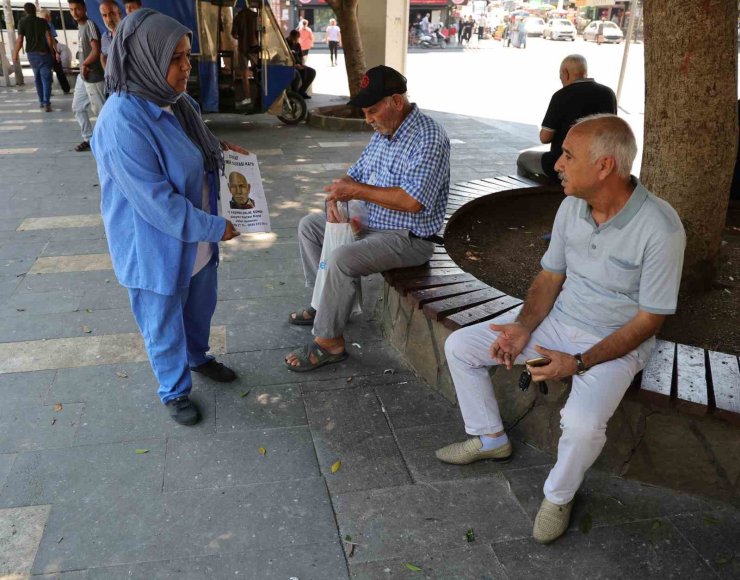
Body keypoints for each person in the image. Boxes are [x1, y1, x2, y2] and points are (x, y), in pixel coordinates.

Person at [436, 114, 686, 544]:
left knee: (583, 422)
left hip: (617, 342)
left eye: (568, 156)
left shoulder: (661, 229)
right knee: (461, 346)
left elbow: (650, 320)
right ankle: (490, 438)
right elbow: (550, 277)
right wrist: (521, 328)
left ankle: (558, 495)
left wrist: (579, 362)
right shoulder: (572, 205)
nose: (557, 164)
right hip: (558, 323)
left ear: (604, 166)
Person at [91, 8, 246, 426]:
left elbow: (197, 148)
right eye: (175, 59)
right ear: (145, 58)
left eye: (187, 56)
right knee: (162, 321)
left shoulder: (176, 103)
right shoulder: (122, 123)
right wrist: (217, 227)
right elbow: (157, 203)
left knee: (199, 308)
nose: (185, 68)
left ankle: (198, 357)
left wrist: (224, 150)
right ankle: (174, 391)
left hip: (195, 239)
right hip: (155, 244)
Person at [284, 65, 450, 371]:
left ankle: (329, 342)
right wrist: (336, 196)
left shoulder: (428, 138)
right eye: (365, 112)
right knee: (309, 227)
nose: (368, 119)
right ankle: (323, 304)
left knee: (342, 259)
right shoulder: (385, 133)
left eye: (373, 110)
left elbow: (412, 202)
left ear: (396, 102)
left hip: (408, 238)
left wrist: (356, 192)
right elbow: (355, 173)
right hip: (372, 224)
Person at [517, 55, 617, 181]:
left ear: (565, 73)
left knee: (523, 159)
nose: (561, 80)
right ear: (585, 72)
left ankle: (543, 195)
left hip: (564, 163)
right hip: (598, 164)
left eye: (560, 76)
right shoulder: (608, 94)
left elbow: (544, 137)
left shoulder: (561, 95)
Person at [68, 0, 106, 152]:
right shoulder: (80, 26)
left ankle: (107, 140)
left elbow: (96, 51)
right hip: (83, 78)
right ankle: (89, 139)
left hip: (94, 77)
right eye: (71, 9)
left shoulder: (90, 24)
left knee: (101, 112)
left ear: (84, 8)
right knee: (77, 108)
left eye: (77, 8)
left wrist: (84, 64)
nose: (74, 12)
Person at [13, 3, 55, 112]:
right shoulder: (43, 22)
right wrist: (51, 51)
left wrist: (15, 53)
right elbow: (49, 38)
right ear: (35, 10)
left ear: (25, 11)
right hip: (44, 53)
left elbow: (20, 40)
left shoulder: (22, 22)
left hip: (32, 55)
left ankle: (41, 101)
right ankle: (47, 102)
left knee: (37, 78)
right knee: (46, 79)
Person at [231, 2, 259, 106]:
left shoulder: (238, 16)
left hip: (243, 48)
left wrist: (240, 37)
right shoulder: (255, 15)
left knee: (244, 74)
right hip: (254, 47)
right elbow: (259, 32)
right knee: (257, 72)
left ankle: (247, 97)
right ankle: (259, 96)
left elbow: (234, 34)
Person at [38, 9, 70, 94]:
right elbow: (51, 38)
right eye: (47, 16)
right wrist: (55, 52)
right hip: (49, 49)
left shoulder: (39, 25)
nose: (49, 18)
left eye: (49, 16)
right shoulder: (48, 25)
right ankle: (65, 89)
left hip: (43, 50)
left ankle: (47, 91)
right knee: (58, 70)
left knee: (47, 72)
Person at [286, 30, 316, 99]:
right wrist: (294, 65)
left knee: (312, 72)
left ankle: (302, 91)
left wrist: (302, 64)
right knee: (303, 72)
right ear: (291, 36)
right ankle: (296, 93)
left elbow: (301, 56)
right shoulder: (286, 43)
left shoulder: (297, 44)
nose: (297, 40)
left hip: (298, 64)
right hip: (290, 65)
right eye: (296, 38)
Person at [99, 0, 122, 69]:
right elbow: (103, 55)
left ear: (119, 13)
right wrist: (107, 73)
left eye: (111, 13)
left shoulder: (129, 33)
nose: (109, 19)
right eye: (104, 15)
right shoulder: (105, 37)